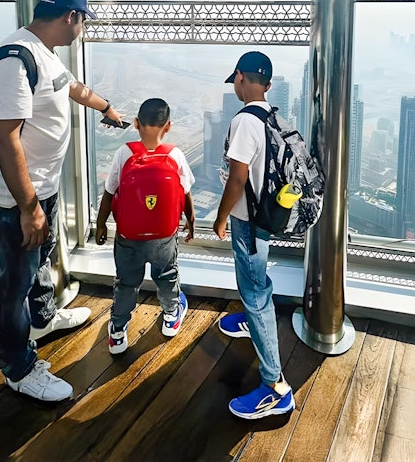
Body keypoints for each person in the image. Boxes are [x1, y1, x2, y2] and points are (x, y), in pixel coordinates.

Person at [0, 0, 124, 402]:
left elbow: (71, 87)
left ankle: (42, 319)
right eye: (82, 21)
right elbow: (5, 138)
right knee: (13, 284)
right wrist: (29, 208)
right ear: (70, 18)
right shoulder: (14, 59)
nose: (81, 29)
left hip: (40, 190)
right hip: (14, 200)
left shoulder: (44, 54)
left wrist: (104, 107)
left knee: (40, 258)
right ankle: (19, 368)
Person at [212, 51, 294, 420]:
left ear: (241, 78)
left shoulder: (245, 121)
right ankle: (250, 319)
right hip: (268, 213)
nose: (235, 85)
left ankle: (276, 387)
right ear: (270, 85)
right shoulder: (272, 116)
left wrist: (220, 216)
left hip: (247, 220)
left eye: (236, 80)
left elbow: (238, 177)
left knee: (256, 293)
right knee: (256, 283)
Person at [94, 98, 196, 354]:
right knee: (166, 276)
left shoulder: (124, 153)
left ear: (137, 123)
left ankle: (117, 331)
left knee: (127, 283)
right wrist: (191, 222)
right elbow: (185, 194)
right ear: (168, 126)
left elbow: (109, 193)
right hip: (164, 236)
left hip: (129, 236)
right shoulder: (175, 154)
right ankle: (171, 316)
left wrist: (101, 225)